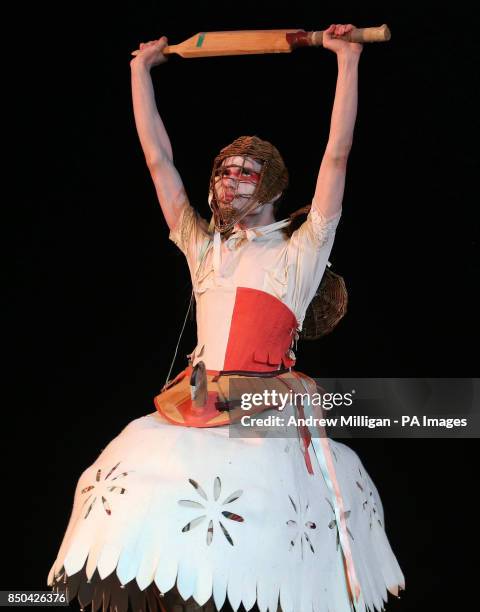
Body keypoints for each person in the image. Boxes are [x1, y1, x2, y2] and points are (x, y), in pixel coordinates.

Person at [48, 25, 405, 612]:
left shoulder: (300, 252)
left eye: (244, 171)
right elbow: (158, 160)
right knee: (140, 480)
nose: (228, 180)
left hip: (264, 405)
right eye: (222, 170)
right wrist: (140, 71)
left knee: (257, 536)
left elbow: (337, 155)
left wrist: (346, 61)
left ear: (271, 184)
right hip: (201, 401)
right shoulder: (204, 247)